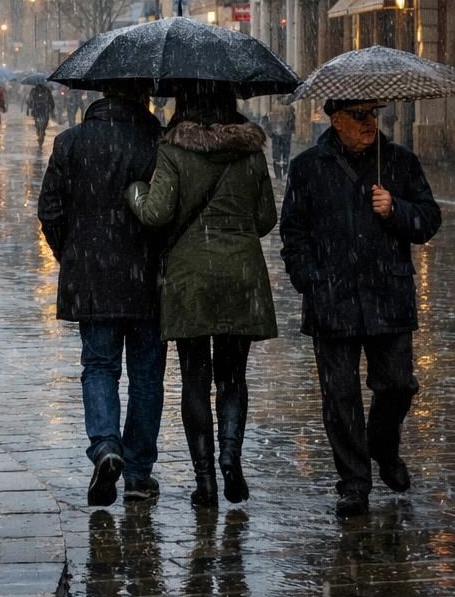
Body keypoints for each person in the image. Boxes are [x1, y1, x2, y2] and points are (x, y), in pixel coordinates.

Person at [279, 97, 440, 518]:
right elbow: (293, 231)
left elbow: (429, 220)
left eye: (373, 114)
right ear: (336, 120)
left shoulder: (399, 162)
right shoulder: (308, 167)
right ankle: (354, 483)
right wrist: (310, 279)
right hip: (331, 298)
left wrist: (396, 209)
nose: (369, 122)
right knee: (340, 397)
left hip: (388, 295)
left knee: (398, 384)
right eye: (359, 115)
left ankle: (383, 446)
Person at [126, 84, 277, 510]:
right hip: (241, 275)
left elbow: (155, 213)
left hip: (190, 278)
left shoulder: (174, 151)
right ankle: (230, 455)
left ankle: (205, 479)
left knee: (195, 378)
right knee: (233, 377)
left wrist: (135, 190)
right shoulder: (251, 153)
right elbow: (266, 218)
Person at [38, 85, 166, 506]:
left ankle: (106, 445)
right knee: (146, 376)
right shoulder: (159, 143)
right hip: (148, 278)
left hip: (92, 277)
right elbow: (170, 211)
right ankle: (138, 473)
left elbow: (49, 210)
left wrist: (73, 254)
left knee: (99, 366)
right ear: (143, 96)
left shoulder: (71, 142)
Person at [265, 99, 296, 180]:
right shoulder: (290, 111)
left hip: (276, 136)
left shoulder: (273, 111)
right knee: (286, 156)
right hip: (286, 136)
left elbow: (266, 123)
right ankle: (285, 174)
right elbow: (292, 126)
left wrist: (271, 134)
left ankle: (278, 176)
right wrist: (290, 131)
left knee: (276, 157)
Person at [26, 82, 56, 148]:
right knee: (42, 124)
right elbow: (52, 102)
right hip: (42, 110)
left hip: (39, 110)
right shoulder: (45, 90)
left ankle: (40, 132)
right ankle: (41, 132)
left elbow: (29, 101)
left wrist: (29, 108)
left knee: (41, 125)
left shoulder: (35, 90)